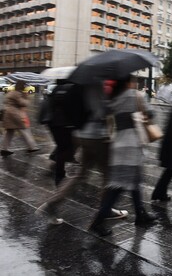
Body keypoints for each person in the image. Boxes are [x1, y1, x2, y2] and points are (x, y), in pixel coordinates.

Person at [36, 81, 128, 225]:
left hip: (82, 134)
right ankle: (106, 209)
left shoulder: (82, 86)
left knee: (79, 174)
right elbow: (105, 111)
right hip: (99, 137)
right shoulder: (98, 87)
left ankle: (51, 204)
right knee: (109, 176)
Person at [89, 75, 157, 236]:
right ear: (128, 82)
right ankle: (98, 222)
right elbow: (151, 113)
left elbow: (102, 114)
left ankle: (141, 214)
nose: (135, 83)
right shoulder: (136, 95)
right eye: (133, 80)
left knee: (135, 181)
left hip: (118, 144)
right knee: (117, 187)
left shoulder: (113, 98)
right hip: (132, 145)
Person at [1, 80, 40, 156]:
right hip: (15, 114)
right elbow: (23, 103)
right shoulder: (17, 94)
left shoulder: (11, 92)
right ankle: (32, 147)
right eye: (24, 86)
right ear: (21, 86)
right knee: (24, 129)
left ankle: (4, 149)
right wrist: (26, 97)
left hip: (8, 114)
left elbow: (5, 102)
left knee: (9, 132)